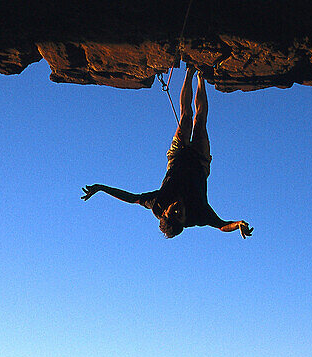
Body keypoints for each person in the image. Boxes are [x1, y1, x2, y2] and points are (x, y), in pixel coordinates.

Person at [81, 66, 253, 239]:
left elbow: (131, 198)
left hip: (176, 157)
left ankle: (190, 72)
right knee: (199, 121)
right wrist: (238, 224)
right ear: (185, 220)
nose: (178, 208)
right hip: (200, 162)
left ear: (164, 213)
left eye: (173, 212)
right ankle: (201, 77)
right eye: (181, 214)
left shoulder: (157, 203)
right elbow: (221, 226)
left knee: (186, 117)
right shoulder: (198, 214)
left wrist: (101, 188)